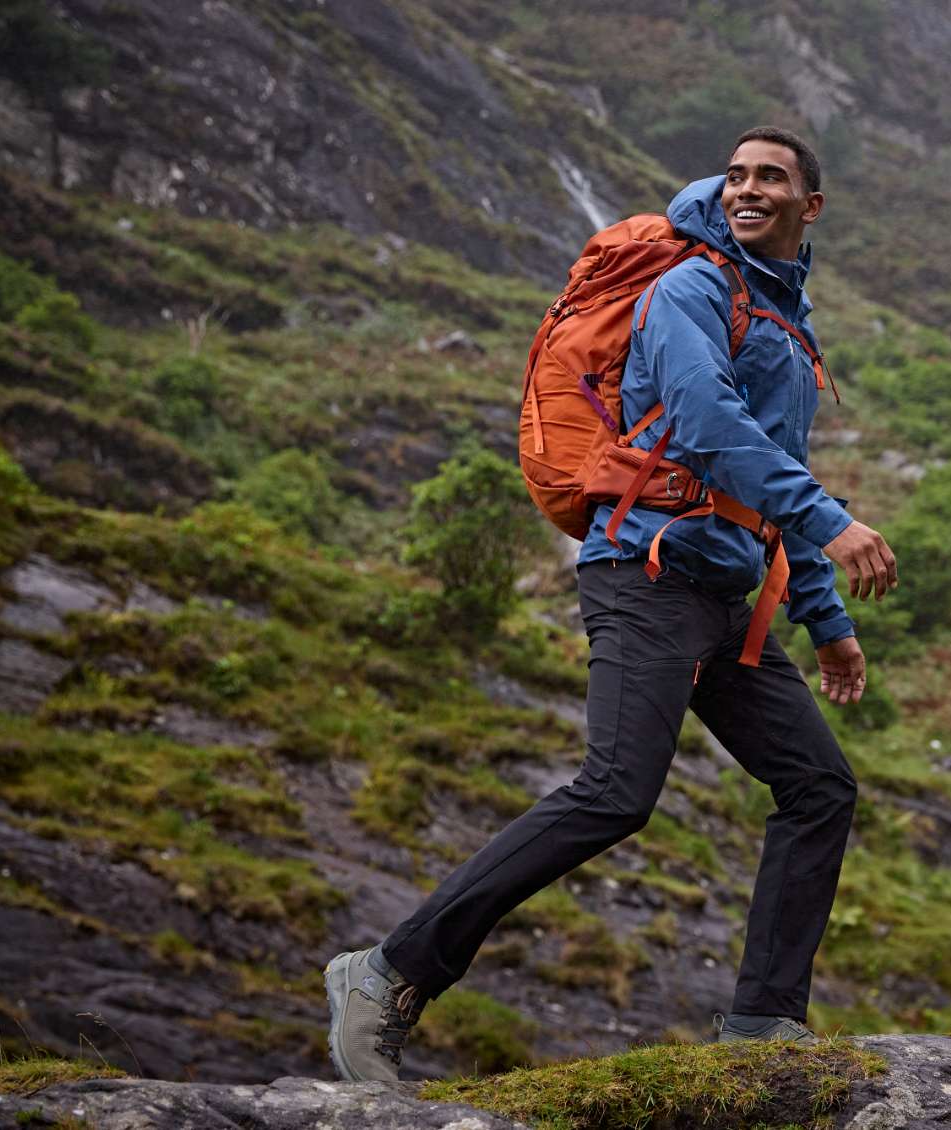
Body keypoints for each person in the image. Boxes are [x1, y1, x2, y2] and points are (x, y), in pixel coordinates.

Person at [324, 127, 896, 1081]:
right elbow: (709, 423)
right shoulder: (691, 290)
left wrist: (828, 624)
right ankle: (386, 975)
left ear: (812, 206)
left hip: (721, 597)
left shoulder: (787, 322)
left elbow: (777, 471)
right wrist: (834, 522)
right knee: (617, 792)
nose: (750, 188)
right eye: (740, 174)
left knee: (819, 786)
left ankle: (763, 1028)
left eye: (774, 178)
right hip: (643, 573)